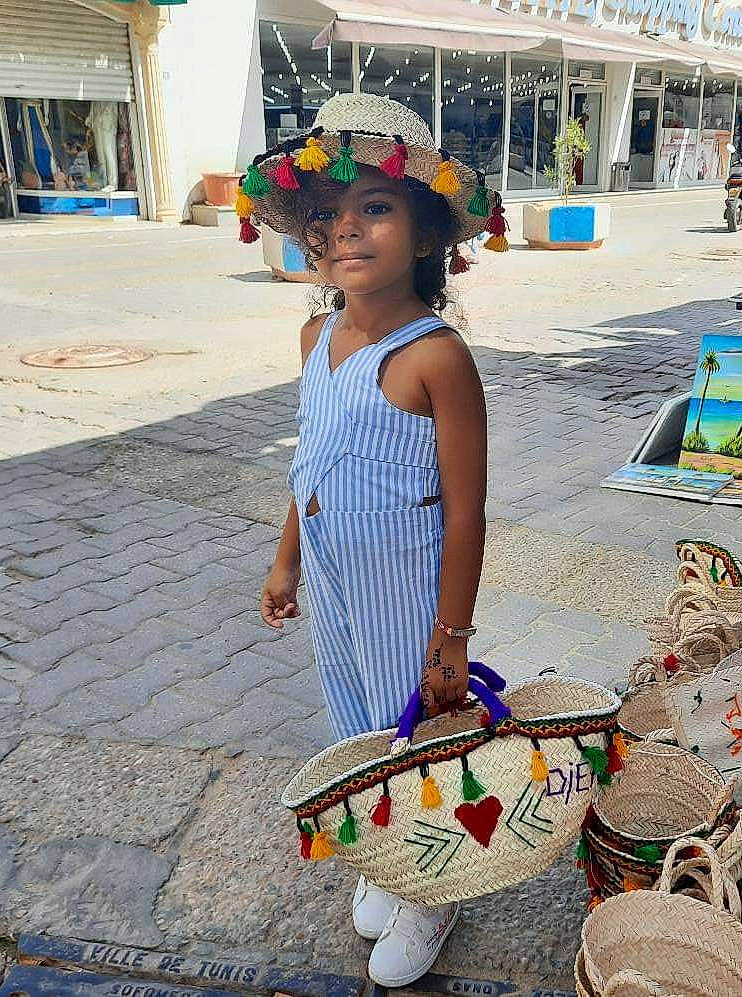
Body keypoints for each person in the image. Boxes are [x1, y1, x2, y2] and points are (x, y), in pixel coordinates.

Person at [251, 94, 493, 988]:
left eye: (376, 208)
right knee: (356, 728)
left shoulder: (437, 356)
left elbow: (467, 513)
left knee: (416, 736)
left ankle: (437, 887)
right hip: (331, 570)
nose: (346, 229)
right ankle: (391, 861)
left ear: (426, 231)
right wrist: (285, 560)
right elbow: (310, 459)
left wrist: (451, 638)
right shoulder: (315, 336)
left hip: (405, 580)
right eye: (326, 215)